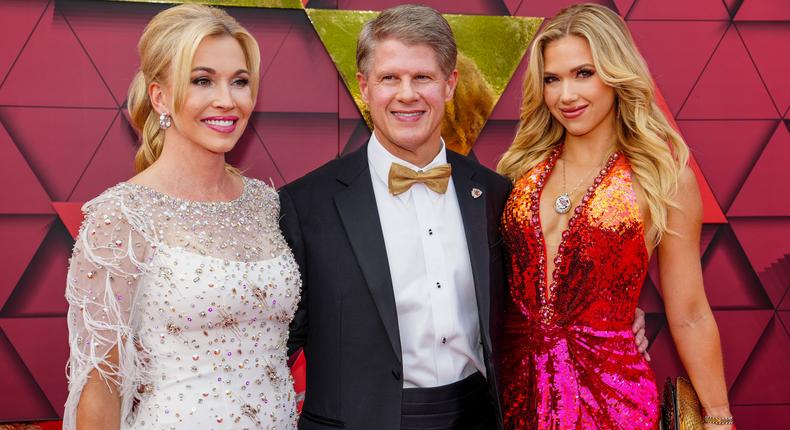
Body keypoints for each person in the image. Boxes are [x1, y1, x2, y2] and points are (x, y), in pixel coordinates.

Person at [280, 4, 648, 430]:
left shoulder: (496, 195)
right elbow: (273, 342)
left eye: (423, 77)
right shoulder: (306, 205)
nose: (407, 94)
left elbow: (534, 295)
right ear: (364, 86)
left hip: (480, 416)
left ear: (450, 84)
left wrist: (613, 318)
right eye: (389, 78)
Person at [496, 4, 733, 429]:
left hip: (612, 398)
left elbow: (691, 311)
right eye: (552, 79)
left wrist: (718, 418)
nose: (566, 95)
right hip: (513, 394)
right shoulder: (516, 173)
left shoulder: (661, 178)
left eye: (583, 73)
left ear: (615, 73)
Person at [64, 5, 300, 429]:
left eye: (240, 82)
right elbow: (101, 384)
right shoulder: (121, 216)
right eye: (202, 80)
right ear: (160, 97)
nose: (227, 100)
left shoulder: (266, 204)